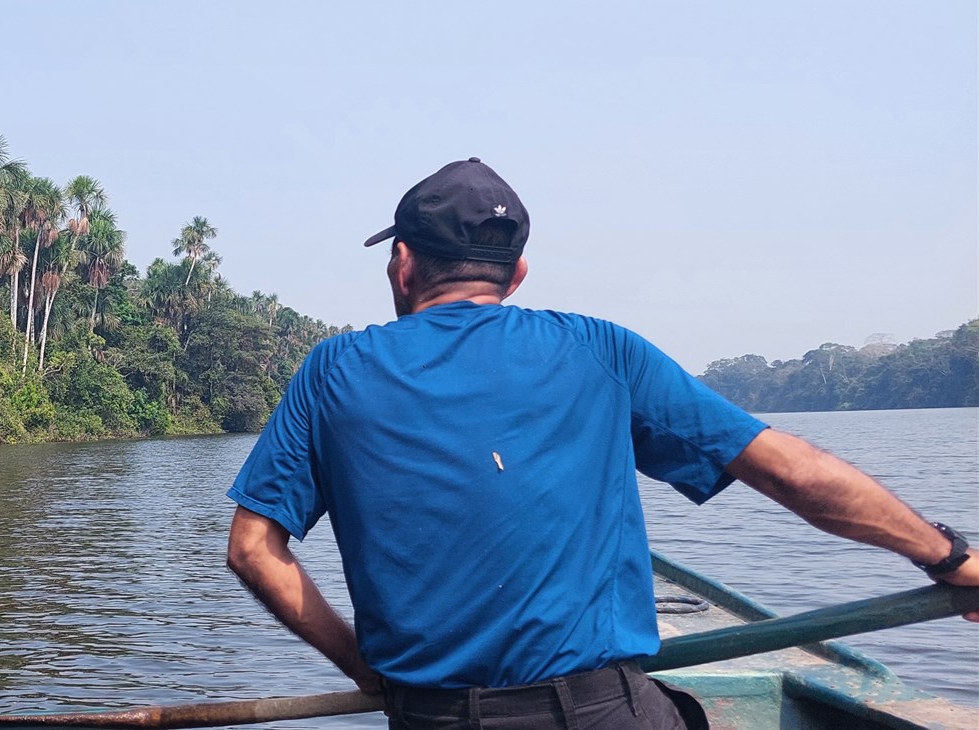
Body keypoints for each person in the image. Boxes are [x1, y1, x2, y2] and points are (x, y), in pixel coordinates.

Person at [222, 157, 979, 729]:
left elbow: (253, 548)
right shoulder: (599, 350)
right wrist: (948, 556)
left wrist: (364, 668)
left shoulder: (334, 371)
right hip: (599, 712)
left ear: (402, 264)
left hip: (429, 717)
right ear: (517, 273)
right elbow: (792, 474)